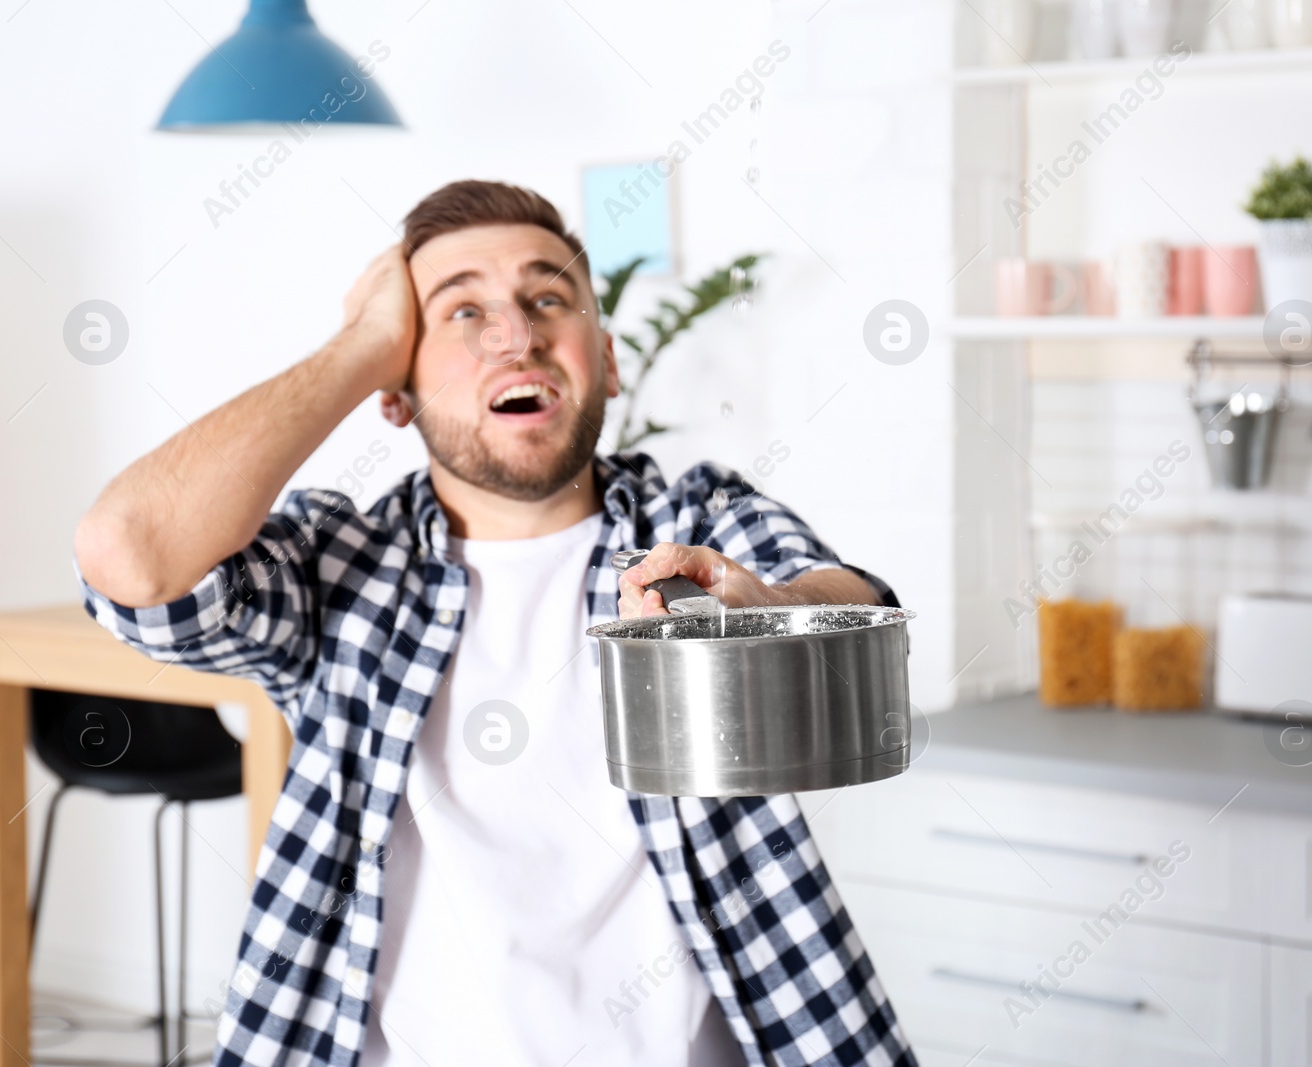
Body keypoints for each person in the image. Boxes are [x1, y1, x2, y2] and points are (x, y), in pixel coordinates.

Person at [74, 180, 913, 1067]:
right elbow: (131, 551)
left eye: (548, 297)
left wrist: (770, 614)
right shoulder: (337, 568)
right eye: (461, 312)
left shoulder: (698, 523)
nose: (516, 334)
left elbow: (845, 601)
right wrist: (363, 345)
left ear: (610, 358)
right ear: (393, 393)